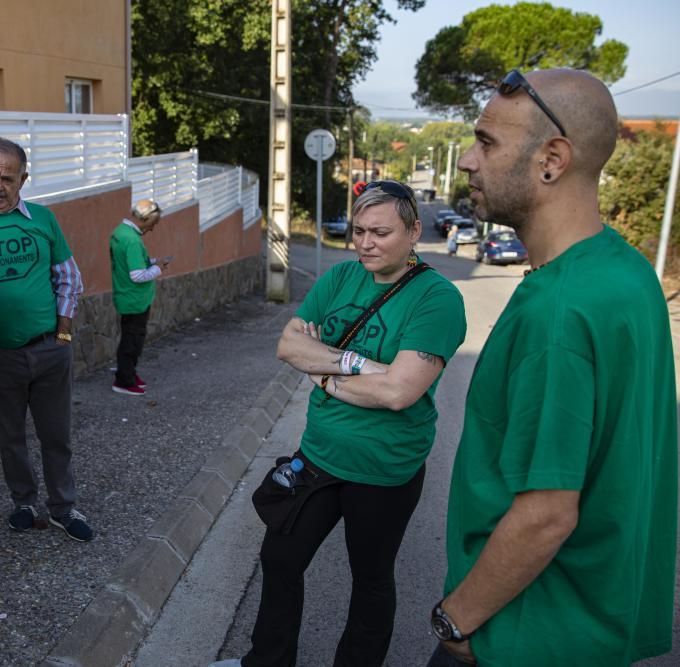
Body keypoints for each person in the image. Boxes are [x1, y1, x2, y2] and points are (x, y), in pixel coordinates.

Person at [427, 69, 677, 667]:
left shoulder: (559, 313)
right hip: (593, 632)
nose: (467, 161)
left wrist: (454, 620)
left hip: (523, 633)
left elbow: (545, 514)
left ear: (552, 159)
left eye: (486, 143)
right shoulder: (628, 270)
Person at [212, 180, 466, 667]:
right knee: (280, 559)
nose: (366, 243)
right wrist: (358, 366)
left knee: (370, 580)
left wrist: (323, 370)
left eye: (381, 232)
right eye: (358, 231)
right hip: (319, 455)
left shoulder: (437, 299)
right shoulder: (339, 278)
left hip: (384, 468)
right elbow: (288, 346)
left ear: (414, 231)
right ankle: (267, 662)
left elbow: (398, 392)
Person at [0, 137, 93, 542]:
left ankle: (63, 507)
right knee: (9, 438)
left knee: (56, 435)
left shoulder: (43, 220)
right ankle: (24, 502)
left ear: (23, 179)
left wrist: (63, 331)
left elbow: (69, 277)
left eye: (7, 178)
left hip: (48, 349)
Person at [109, 198, 170, 396]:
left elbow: (130, 263)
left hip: (125, 296)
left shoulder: (120, 232)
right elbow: (137, 275)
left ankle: (129, 373)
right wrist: (158, 268)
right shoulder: (133, 240)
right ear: (144, 220)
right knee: (132, 341)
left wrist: (152, 261)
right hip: (135, 299)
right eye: (153, 225)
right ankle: (124, 380)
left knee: (130, 338)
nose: (152, 229)